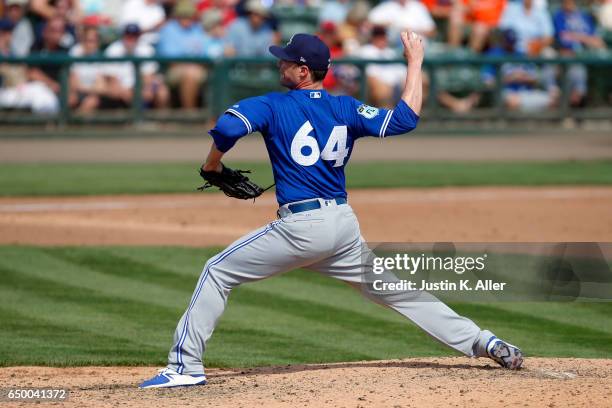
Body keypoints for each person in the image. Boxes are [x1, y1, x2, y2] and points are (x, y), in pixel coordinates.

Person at [139, 31, 523, 389]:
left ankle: (184, 368)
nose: (280, 65)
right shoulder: (345, 107)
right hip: (342, 226)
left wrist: (212, 166)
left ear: (304, 71)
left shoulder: (272, 104)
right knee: (397, 291)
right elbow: (404, 120)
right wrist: (416, 61)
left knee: (216, 271)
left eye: (286, 61)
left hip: (303, 227)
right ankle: (483, 341)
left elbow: (225, 129)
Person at [104, 24, 170, 109]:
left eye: (134, 36)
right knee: (115, 91)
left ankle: (162, 120)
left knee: (162, 92)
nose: (131, 39)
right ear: (123, 36)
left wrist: (143, 89)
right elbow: (112, 80)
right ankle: (134, 118)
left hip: (140, 86)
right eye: (128, 35)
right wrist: (126, 91)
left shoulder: (146, 49)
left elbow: (148, 76)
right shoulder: (113, 50)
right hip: (120, 87)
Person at [553, 0, 605, 106]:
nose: (569, 3)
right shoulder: (559, 16)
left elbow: (598, 42)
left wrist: (578, 37)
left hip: (589, 54)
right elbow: (563, 37)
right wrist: (585, 38)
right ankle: (572, 106)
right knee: (576, 71)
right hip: (572, 56)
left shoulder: (584, 16)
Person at [157, 0, 208, 109]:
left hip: (198, 67)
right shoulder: (168, 29)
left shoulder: (197, 29)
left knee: (198, 73)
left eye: (189, 15)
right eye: (184, 15)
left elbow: (205, 53)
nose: (187, 18)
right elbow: (170, 59)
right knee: (191, 73)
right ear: (177, 16)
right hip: (173, 70)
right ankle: (189, 113)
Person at [357, 25, 407, 108]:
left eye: (382, 36)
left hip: (395, 84)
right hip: (375, 86)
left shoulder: (390, 52)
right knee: (383, 91)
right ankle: (388, 119)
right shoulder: (365, 50)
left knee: (419, 81)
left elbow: (402, 72)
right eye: (378, 36)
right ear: (372, 38)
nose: (381, 39)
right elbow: (370, 75)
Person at [368, 0, 436, 40]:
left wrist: (410, 31)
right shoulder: (387, 6)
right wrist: (389, 25)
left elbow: (432, 31)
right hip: (391, 47)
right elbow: (368, 23)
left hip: (417, 46)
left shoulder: (417, 6)